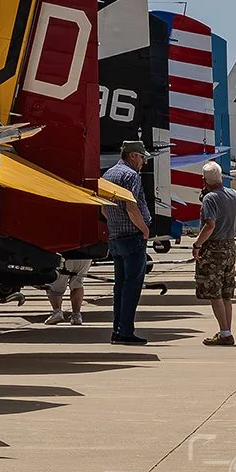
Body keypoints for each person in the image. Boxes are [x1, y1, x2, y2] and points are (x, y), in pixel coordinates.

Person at [102, 140, 153, 345]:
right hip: (132, 237)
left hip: (116, 237)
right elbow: (132, 207)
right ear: (132, 156)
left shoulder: (108, 174)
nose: (143, 162)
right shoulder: (131, 175)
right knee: (132, 287)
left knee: (120, 287)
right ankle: (125, 332)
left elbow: (104, 208)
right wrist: (145, 229)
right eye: (142, 157)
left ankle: (117, 329)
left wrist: (115, 224)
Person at [192, 161, 236, 345]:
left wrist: (197, 244)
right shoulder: (232, 194)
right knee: (226, 292)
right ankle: (226, 331)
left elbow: (210, 225)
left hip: (214, 249)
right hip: (230, 247)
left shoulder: (209, 199)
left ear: (204, 180)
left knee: (214, 292)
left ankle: (225, 333)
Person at [44, 257, 91, 325]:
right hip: (84, 257)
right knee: (77, 284)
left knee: (54, 286)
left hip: (65, 257)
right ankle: (76, 315)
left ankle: (57, 311)